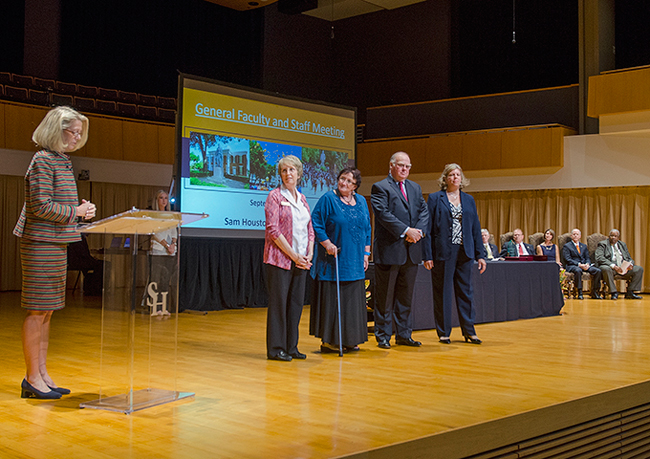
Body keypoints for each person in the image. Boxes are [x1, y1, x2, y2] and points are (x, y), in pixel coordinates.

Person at [13, 106, 96, 399]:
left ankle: (43, 374)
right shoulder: (42, 160)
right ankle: (31, 378)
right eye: (72, 132)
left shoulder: (61, 161)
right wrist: (76, 211)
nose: (76, 138)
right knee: (37, 311)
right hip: (40, 243)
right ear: (55, 130)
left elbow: (56, 205)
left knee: (47, 312)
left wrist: (81, 213)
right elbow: (41, 206)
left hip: (57, 241)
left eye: (78, 133)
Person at [370, 151, 429, 349]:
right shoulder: (380, 187)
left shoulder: (415, 188)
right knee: (385, 298)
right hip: (390, 251)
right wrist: (406, 231)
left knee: (405, 297)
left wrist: (418, 232)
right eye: (401, 165)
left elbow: (424, 211)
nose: (405, 169)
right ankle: (383, 336)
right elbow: (383, 215)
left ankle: (404, 335)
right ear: (391, 165)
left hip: (411, 252)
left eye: (408, 166)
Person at [310, 167, 371, 353]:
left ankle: (350, 339)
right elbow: (316, 222)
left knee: (352, 301)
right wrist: (327, 243)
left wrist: (366, 253)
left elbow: (367, 227)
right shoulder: (328, 199)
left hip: (355, 259)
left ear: (356, 186)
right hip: (334, 258)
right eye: (342, 179)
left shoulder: (360, 201)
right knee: (333, 299)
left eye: (349, 181)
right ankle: (330, 341)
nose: (344, 183)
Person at [423, 164, 487, 344]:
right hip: (443, 252)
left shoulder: (469, 200)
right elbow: (428, 229)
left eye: (457, 174)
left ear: (462, 178)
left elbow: (475, 228)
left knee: (466, 292)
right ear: (445, 178)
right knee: (443, 292)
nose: (454, 177)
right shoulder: (435, 198)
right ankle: (444, 333)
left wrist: (480, 254)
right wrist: (427, 255)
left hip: (464, 252)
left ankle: (469, 331)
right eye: (451, 175)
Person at [264, 155, 314, 361]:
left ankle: (291, 346)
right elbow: (273, 230)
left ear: (299, 173)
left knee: (295, 304)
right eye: (284, 171)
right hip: (279, 260)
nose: (288, 174)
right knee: (279, 305)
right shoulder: (274, 196)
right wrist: (294, 256)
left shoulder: (302, 199)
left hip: (301, 260)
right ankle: (276, 349)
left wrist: (309, 254)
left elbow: (309, 230)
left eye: (292, 170)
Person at [149, 190, 178, 315]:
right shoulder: (152, 215)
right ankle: (155, 307)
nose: (164, 200)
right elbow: (155, 232)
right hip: (158, 250)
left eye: (166, 198)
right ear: (157, 200)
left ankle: (164, 307)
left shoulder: (171, 215)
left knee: (166, 280)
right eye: (161, 198)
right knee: (156, 280)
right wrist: (166, 245)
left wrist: (173, 244)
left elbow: (173, 231)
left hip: (170, 252)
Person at [595, 229, 643, 299]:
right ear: (609, 236)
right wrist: (613, 266)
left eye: (615, 236)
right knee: (605, 268)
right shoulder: (603, 244)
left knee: (639, 269)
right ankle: (613, 292)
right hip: (610, 267)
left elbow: (629, 258)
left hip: (623, 267)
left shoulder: (622, 244)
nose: (613, 237)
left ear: (618, 238)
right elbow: (599, 257)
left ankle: (630, 292)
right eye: (611, 236)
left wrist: (630, 264)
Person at [562, 228, 602, 299]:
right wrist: (579, 265)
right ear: (571, 236)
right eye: (574, 234)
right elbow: (568, 259)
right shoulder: (567, 246)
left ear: (580, 236)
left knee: (597, 271)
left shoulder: (583, 246)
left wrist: (587, 264)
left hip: (584, 265)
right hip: (573, 265)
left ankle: (595, 291)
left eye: (577, 234)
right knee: (578, 270)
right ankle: (579, 292)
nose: (575, 236)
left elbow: (587, 257)